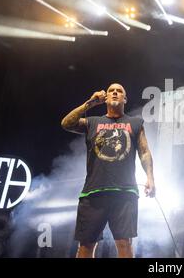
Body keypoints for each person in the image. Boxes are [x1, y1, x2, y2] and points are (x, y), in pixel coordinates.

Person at [61, 83, 155, 258]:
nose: (114, 93)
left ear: (124, 99)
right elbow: (66, 123)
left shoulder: (134, 123)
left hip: (125, 192)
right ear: (106, 97)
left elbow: (144, 151)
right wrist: (89, 103)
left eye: (119, 91)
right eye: (111, 90)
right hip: (93, 192)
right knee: (86, 245)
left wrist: (150, 178)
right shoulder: (93, 122)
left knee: (124, 243)